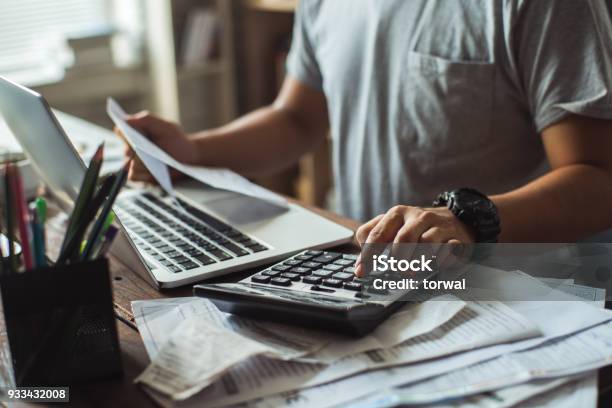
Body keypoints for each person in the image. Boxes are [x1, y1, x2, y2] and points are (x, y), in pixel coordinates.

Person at [123, 0, 612, 276]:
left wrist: (467, 221)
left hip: (506, 287)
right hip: (363, 270)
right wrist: (192, 150)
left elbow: (598, 179)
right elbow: (297, 118)